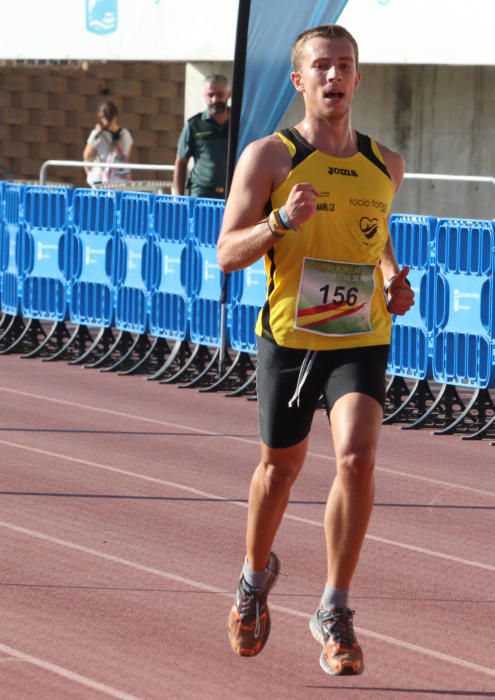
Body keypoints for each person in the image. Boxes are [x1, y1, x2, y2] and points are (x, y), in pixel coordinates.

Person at [216, 24, 414, 676]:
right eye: (321, 67)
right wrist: (278, 223)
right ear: (300, 80)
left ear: (357, 79)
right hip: (291, 340)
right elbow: (225, 253)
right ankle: (252, 578)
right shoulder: (268, 158)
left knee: (357, 456)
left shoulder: (386, 163)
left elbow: (373, 229)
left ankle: (333, 606)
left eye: (345, 66)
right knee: (280, 469)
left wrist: (389, 273)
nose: (334, 77)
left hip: (360, 334)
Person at [172, 74, 231, 199]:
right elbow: (181, 162)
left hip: (233, 191)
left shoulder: (240, 123)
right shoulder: (193, 124)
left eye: (220, 94)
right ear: (204, 96)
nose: (215, 100)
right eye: (210, 95)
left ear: (228, 94)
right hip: (202, 193)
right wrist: (178, 198)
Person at [83, 100, 133, 188]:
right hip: (120, 180)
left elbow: (86, 156)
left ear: (101, 116)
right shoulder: (125, 134)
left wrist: (89, 175)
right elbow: (126, 156)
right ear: (115, 115)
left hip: (100, 179)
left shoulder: (97, 135)